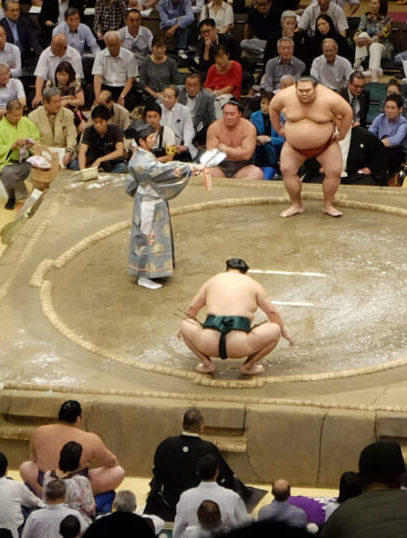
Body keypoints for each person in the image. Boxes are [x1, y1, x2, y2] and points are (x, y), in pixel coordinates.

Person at [120, 145, 215, 290]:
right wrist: (191, 168)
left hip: (154, 202)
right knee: (148, 238)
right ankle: (144, 276)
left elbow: (136, 182)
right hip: (148, 205)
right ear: (141, 140)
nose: (153, 139)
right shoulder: (143, 161)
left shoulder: (141, 156)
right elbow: (165, 170)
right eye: (150, 137)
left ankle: (157, 270)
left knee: (158, 237)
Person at [178, 258, 289, 377]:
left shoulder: (213, 281)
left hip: (208, 342)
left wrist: (183, 330)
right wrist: (284, 331)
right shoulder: (253, 284)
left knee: (186, 324)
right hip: (240, 345)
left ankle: (207, 364)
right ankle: (248, 366)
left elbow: (192, 309)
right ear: (245, 272)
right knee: (275, 329)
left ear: (226, 269)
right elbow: (272, 312)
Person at [267, 74, 352, 218]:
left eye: (307, 90)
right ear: (295, 88)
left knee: (335, 171)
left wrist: (342, 134)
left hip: (325, 145)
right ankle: (296, 205)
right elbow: (273, 108)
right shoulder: (284, 96)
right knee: (287, 170)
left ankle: (328, 205)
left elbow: (347, 112)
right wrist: (279, 129)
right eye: (300, 90)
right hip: (294, 146)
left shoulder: (330, 98)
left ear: (316, 88)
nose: (304, 93)